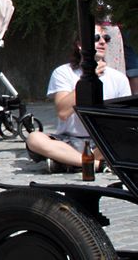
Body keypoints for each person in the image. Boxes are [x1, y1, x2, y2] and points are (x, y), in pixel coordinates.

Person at [27, 28, 131, 172]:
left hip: (103, 143)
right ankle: (95, 164)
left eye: (106, 38)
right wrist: (88, 79)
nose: (102, 42)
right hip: (69, 141)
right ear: (80, 45)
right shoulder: (63, 72)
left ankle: (69, 162)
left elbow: (124, 120)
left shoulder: (119, 78)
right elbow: (63, 112)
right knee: (34, 138)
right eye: (96, 38)